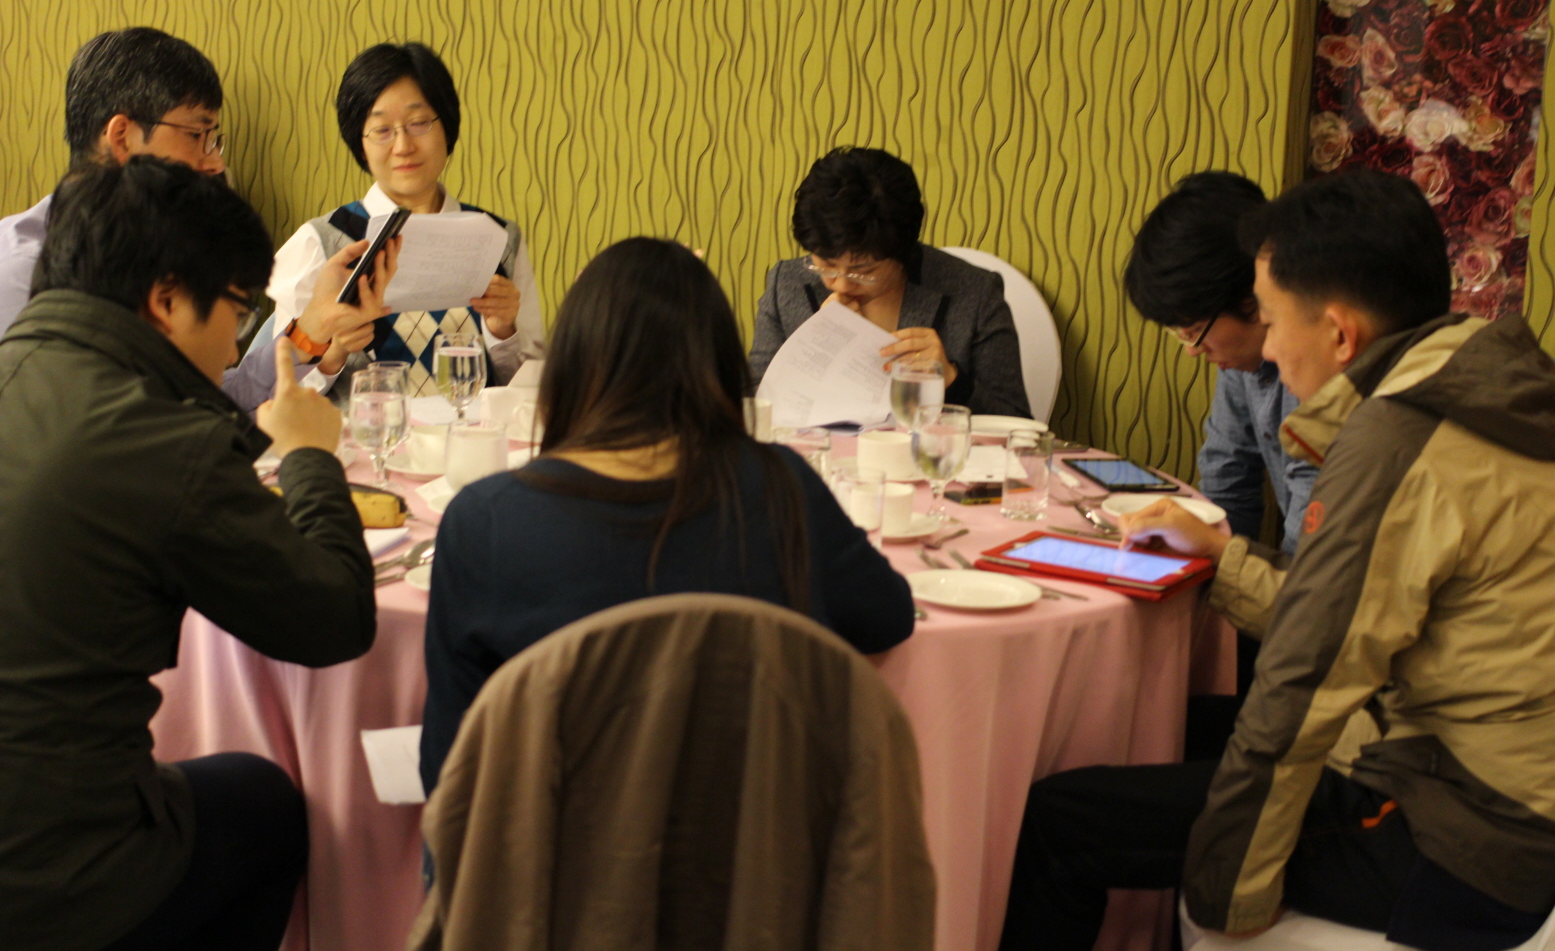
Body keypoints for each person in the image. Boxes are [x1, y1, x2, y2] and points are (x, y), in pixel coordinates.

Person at [1001, 169, 1555, 951]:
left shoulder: (1394, 442)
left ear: (1337, 332)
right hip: (1492, 773)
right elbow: (1355, 616)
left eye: (1269, 320)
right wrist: (1222, 558)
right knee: (1145, 727)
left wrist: (1230, 887)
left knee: (1061, 823)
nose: (1264, 347)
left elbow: (1302, 680)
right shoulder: (1484, 379)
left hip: (1464, 832)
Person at [0, 158, 388, 950]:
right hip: (54, 879)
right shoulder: (155, 439)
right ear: (169, 299)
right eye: (238, 315)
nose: (232, 346)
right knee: (263, 801)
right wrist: (310, 456)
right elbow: (335, 618)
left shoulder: (29, 372)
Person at [420, 237, 917, 795]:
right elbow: (887, 618)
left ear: (571, 362)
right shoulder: (782, 486)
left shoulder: (485, 522)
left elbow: (448, 770)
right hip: (759, 835)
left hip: (552, 840)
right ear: (718, 360)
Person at [0, 27, 389, 412]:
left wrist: (311, 331)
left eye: (214, 138)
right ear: (121, 138)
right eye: (197, 135)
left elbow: (196, 399)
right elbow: (118, 433)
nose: (215, 162)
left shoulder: (151, 250)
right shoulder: (21, 277)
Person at [267, 41, 543, 397]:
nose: (403, 146)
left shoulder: (498, 239)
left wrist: (503, 331)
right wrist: (333, 354)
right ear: (360, 143)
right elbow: (273, 389)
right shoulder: (323, 242)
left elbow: (534, 384)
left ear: (447, 127)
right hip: (361, 432)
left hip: (471, 432)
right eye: (382, 130)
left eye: (419, 123)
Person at [748, 146, 1031, 417]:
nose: (841, 285)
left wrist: (951, 379)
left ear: (902, 254)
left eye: (863, 271)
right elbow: (752, 406)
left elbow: (1017, 422)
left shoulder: (975, 293)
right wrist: (815, 349)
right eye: (827, 265)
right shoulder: (787, 285)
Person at [1124, 172, 1316, 556]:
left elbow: (1310, 567)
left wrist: (1217, 556)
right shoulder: (1241, 359)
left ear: (1253, 297)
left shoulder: (1318, 371)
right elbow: (1227, 477)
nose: (1193, 351)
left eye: (1196, 331)